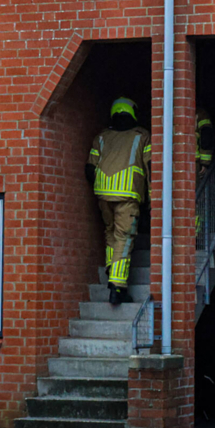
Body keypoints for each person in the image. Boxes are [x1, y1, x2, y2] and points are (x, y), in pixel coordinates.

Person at [86, 97, 151, 305]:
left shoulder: (101, 137)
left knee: (111, 233)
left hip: (103, 195)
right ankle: (117, 286)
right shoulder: (142, 136)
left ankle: (111, 267)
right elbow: (152, 168)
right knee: (125, 238)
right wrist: (152, 197)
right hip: (127, 195)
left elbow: (89, 169)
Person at [195, 108, 214, 175]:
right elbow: (206, 135)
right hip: (194, 162)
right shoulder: (201, 114)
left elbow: (206, 136)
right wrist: (205, 163)